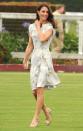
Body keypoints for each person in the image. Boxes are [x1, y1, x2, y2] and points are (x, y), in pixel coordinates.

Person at [23, 4, 60, 128]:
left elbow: (43, 38)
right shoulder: (31, 27)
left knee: (40, 89)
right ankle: (46, 111)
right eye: (42, 11)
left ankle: (36, 118)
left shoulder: (49, 27)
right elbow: (30, 45)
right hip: (35, 59)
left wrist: (38, 26)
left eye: (46, 12)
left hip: (45, 59)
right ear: (38, 12)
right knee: (34, 91)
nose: (45, 13)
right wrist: (25, 59)